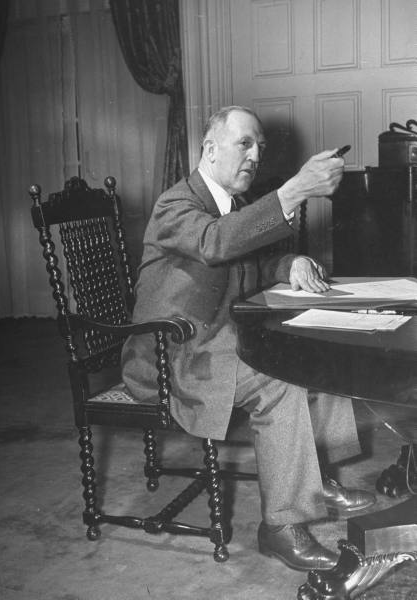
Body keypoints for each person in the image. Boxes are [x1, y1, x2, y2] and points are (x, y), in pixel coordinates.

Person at [121, 106, 375, 571]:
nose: (255, 155)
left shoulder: (232, 207)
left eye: (260, 146)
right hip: (171, 357)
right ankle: (279, 526)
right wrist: (295, 189)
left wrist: (288, 264)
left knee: (316, 346)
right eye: (245, 144)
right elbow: (215, 243)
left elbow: (248, 263)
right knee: (281, 378)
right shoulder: (175, 205)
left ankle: (316, 482)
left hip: (214, 345)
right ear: (210, 148)